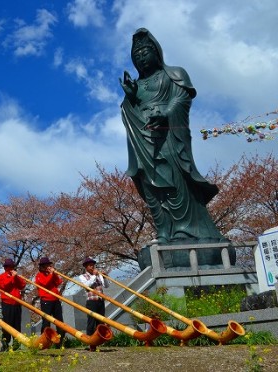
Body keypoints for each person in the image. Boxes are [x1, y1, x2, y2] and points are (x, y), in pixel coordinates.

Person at [119, 28, 226, 252]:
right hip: (144, 141)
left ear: (157, 52)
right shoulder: (137, 86)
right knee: (150, 185)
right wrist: (130, 98)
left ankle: (187, 230)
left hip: (168, 137)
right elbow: (129, 112)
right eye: (136, 55)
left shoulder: (173, 73)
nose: (141, 57)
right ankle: (164, 231)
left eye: (145, 52)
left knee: (176, 180)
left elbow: (182, 99)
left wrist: (166, 114)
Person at [78, 257, 109, 351]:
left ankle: (99, 341)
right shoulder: (82, 276)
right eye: (90, 265)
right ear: (86, 267)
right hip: (91, 301)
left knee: (101, 321)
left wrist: (104, 277)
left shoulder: (98, 275)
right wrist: (94, 276)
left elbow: (106, 286)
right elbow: (87, 286)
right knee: (91, 322)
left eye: (93, 265)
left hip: (100, 300)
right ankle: (91, 343)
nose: (92, 267)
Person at [34, 256, 65, 347]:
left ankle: (60, 343)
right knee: (46, 322)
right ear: (42, 266)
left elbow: (59, 282)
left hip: (56, 300)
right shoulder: (39, 276)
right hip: (46, 301)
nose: (48, 267)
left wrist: (54, 274)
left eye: (49, 265)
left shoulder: (51, 274)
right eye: (46, 265)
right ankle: (44, 343)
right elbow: (45, 283)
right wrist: (51, 274)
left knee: (59, 321)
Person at [0, 258, 26, 351]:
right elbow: (4, 286)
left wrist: (16, 277)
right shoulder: (1, 277)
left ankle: (16, 344)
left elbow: (22, 285)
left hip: (17, 303)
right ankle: (5, 343)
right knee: (7, 324)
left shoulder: (16, 276)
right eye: (9, 267)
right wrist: (12, 277)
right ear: (5, 268)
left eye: (12, 267)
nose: (11, 268)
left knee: (17, 324)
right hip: (7, 303)